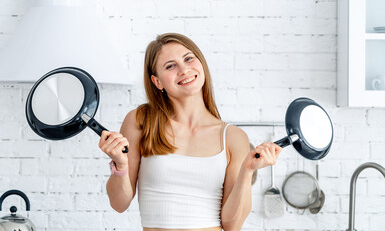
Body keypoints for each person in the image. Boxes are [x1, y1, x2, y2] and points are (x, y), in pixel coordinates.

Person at [99, 33, 282, 231]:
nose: (184, 69)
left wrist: (247, 170)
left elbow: (232, 225)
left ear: (200, 64)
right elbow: (119, 204)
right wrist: (120, 165)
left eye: (188, 58)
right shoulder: (141, 121)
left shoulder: (233, 137)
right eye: (170, 66)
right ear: (157, 82)